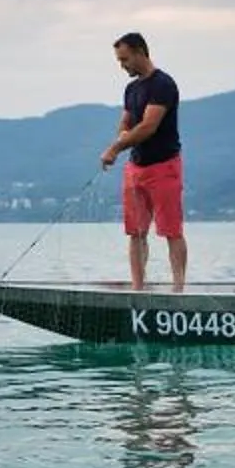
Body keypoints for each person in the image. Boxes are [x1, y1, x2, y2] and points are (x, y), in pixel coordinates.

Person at [99, 31, 185, 291]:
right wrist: (121, 138)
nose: (121, 65)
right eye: (118, 60)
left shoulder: (163, 85)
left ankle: (179, 289)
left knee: (171, 230)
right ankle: (138, 287)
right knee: (135, 233)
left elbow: (148, 126)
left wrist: (115, 148)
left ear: (139, 52)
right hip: (136, 168)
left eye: (124, 59)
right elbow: (126, 122)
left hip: (164, 166)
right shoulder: (131, 88)